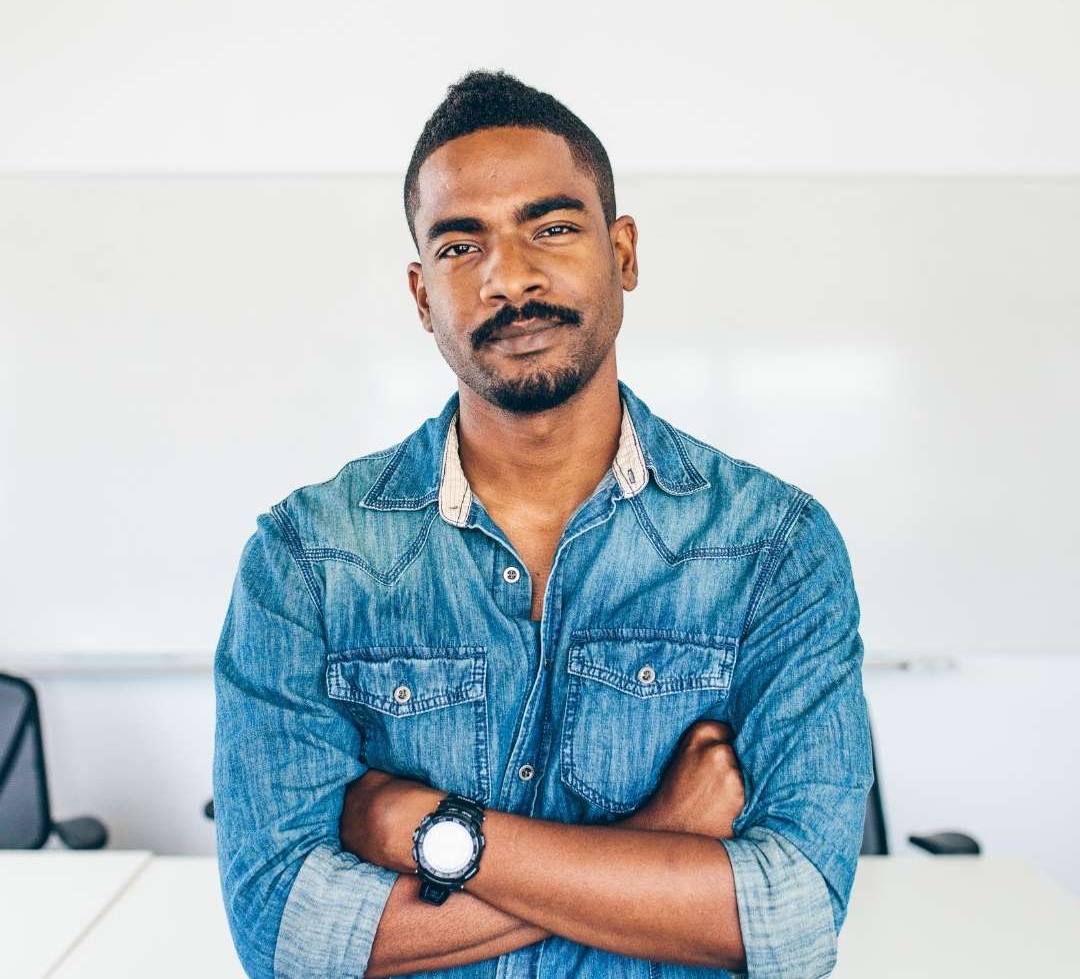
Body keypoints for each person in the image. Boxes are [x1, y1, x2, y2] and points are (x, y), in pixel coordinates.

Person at [212, 69, 874, 979]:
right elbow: (289, 936)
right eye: (459, 246)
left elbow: (791, 920)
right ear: (420, 295)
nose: (508, 279)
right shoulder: (307, 559)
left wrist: (421, 831)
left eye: (552, 228)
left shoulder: (776, 548)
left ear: (624, 252)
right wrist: (655, 843)